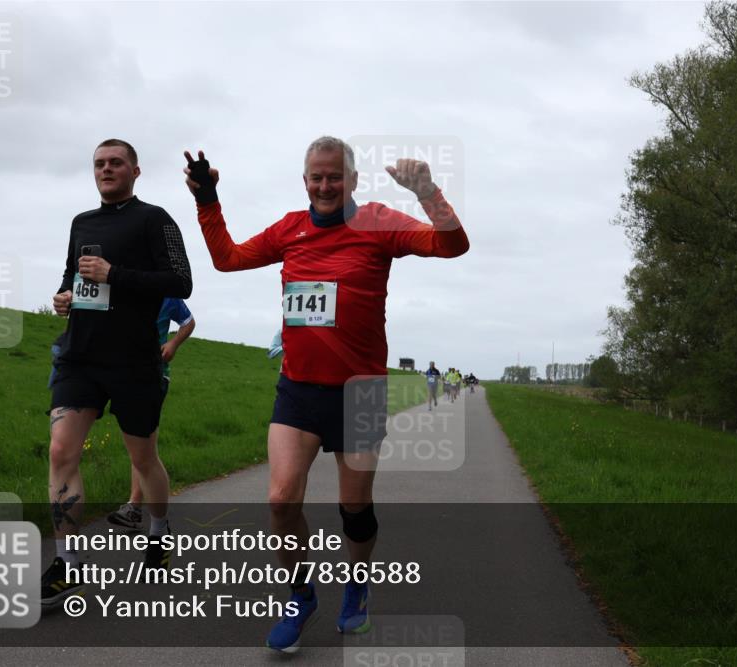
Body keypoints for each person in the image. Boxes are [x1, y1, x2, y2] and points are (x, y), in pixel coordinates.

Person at [184, 136, 468, 653]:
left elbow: (452, 245)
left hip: (359, 394)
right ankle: (300, 595)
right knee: (279, 499)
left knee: (353, 508)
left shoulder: (379, 223)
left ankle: (357, 586)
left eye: (334, 176)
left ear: (353, 181)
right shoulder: (289, 229)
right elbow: (226, 259)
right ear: (305, 181)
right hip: (298, 390)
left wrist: (428, 193)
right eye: (316, 177)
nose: (325, 185)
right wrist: (207, 199)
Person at [41, 139, 192, 607]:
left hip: (133, 361)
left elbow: (181, 281)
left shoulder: (155, 219)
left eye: (116, 163)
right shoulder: (81, 223)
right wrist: (64, 296)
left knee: (143, 459)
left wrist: (115, 274)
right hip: (79, 356)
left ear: (135, 170)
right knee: (61, 449)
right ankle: (67, 563)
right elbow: (72, 275)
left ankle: (160, 529)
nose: (106, 169)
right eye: (100, 164)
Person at [108, 298, 196, 530]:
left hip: (155, 375)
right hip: (126, 373)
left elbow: (189, 322)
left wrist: (173, 344)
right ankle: (136, 508)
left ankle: (137, 508)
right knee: (140, 448)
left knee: (143, 446)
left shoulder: (168, 294)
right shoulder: (126, 286)